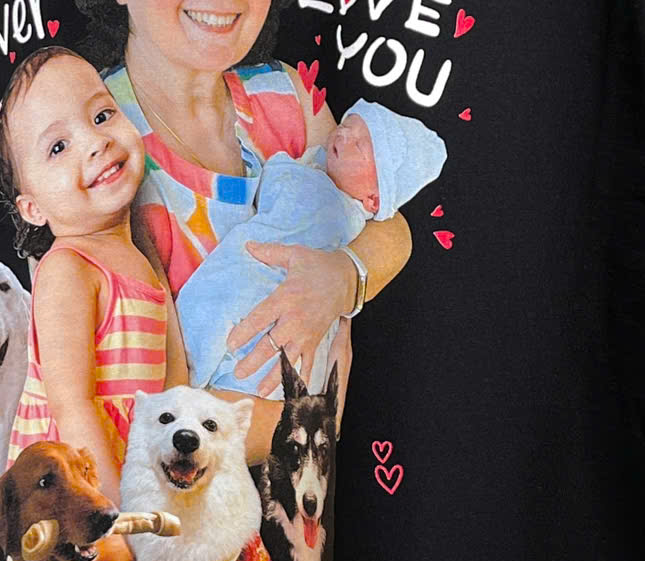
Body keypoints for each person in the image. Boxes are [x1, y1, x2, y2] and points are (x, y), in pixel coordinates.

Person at [68, 0, 413, 462]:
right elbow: (142, 410)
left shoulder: (286, 97)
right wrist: (307, 418)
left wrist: (343, 277)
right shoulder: (92, 142)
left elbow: (389, 225)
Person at [0, 42, 186, 503]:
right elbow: (71, 408)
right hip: (76, 495)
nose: (96, 141)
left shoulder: (141, 254)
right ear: (33, 208)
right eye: (58, 147)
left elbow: (175, 382)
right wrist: (116, 515)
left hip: (136, 473)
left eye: (102, 116)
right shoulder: (68, 269)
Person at [174, 97, 447, 394]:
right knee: (227, 333)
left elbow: (279, 183)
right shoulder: (332, 192)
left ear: (374, 200)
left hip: (265, 291)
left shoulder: (336, 208)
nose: (344, 134)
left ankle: (187, 382)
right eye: (347, 124)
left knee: (211, 311)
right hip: (264, 297)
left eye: (359, 145)